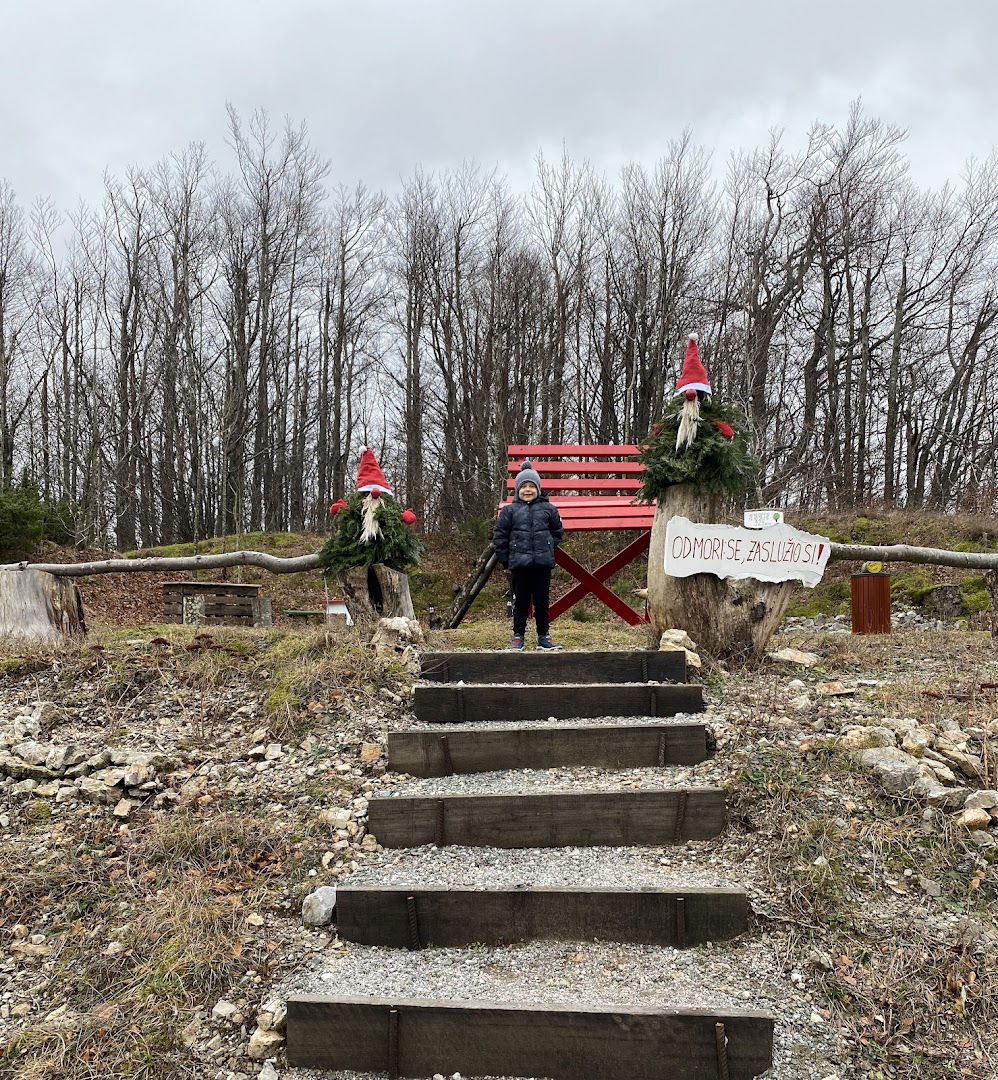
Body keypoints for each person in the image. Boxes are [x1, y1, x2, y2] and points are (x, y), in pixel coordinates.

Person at [492, 461, 564, 651]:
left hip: (542, 565)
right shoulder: (510, 511)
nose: (528, 490)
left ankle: (543, 636)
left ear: (538, 489)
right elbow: (500, 537)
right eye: (524, 486)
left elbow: (557, 532)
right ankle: (518, 636)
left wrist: (549, 547)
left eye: (532, 486)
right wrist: (506, 559)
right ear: (517, 490)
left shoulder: (549, 509)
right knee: (521, 603)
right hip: (519, 565)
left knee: (542, 602)